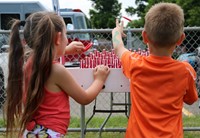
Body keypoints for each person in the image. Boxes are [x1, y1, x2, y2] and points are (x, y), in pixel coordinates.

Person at [5, 11, 110, 138]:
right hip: (50, 133)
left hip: (33, 132)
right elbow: (84, 98)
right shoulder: (57, 70)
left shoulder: (31, 63)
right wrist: (100, 79)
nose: (67, 39)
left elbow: (44, 54)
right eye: (66, 35)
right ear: (58, 38)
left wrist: (65, 50)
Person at [112, 2, 198, 138]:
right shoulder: (186, 71)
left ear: (145, 37)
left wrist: (116, 32)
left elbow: (119, 48)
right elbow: (191, 99)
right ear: (181, 39)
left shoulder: (135, 64)